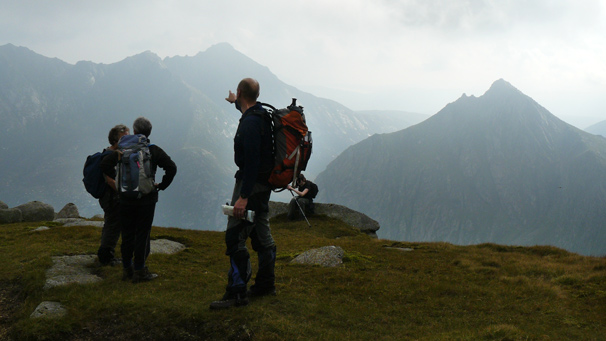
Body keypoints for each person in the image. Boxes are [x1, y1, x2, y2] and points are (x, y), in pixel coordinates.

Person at [210, 78, 276, 309]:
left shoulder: (249, 124)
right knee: (262, 234)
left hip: (251, 185)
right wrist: (234, 102)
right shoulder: (261, 114)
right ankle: (266, 284)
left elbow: (251, 163)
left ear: (240, 92)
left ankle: (237, 292)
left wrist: (243, 196)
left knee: (234, 237)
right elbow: (245, 106)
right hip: (264, 185)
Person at [100, 117, 177, 283]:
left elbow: (104, 164)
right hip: (147, 199)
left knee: (127, 234)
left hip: (125, 198)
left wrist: (119, 182)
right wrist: (161, 185)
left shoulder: (121, 150)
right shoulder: (153, 150)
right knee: (142, 234)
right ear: (149, 132)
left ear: (134, 131)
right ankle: (140, 271)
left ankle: (127, 269)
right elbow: (172, 167)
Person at [97, 124, 129, 266]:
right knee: (114, 224)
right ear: (116, 140)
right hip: (111, 197)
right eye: (125, 138)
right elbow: (110, 180)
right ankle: (106, 257)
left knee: (111, 222)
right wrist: (123, 191)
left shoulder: (108, 152)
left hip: (107, 196)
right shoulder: (111, 156)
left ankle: (105, 253)